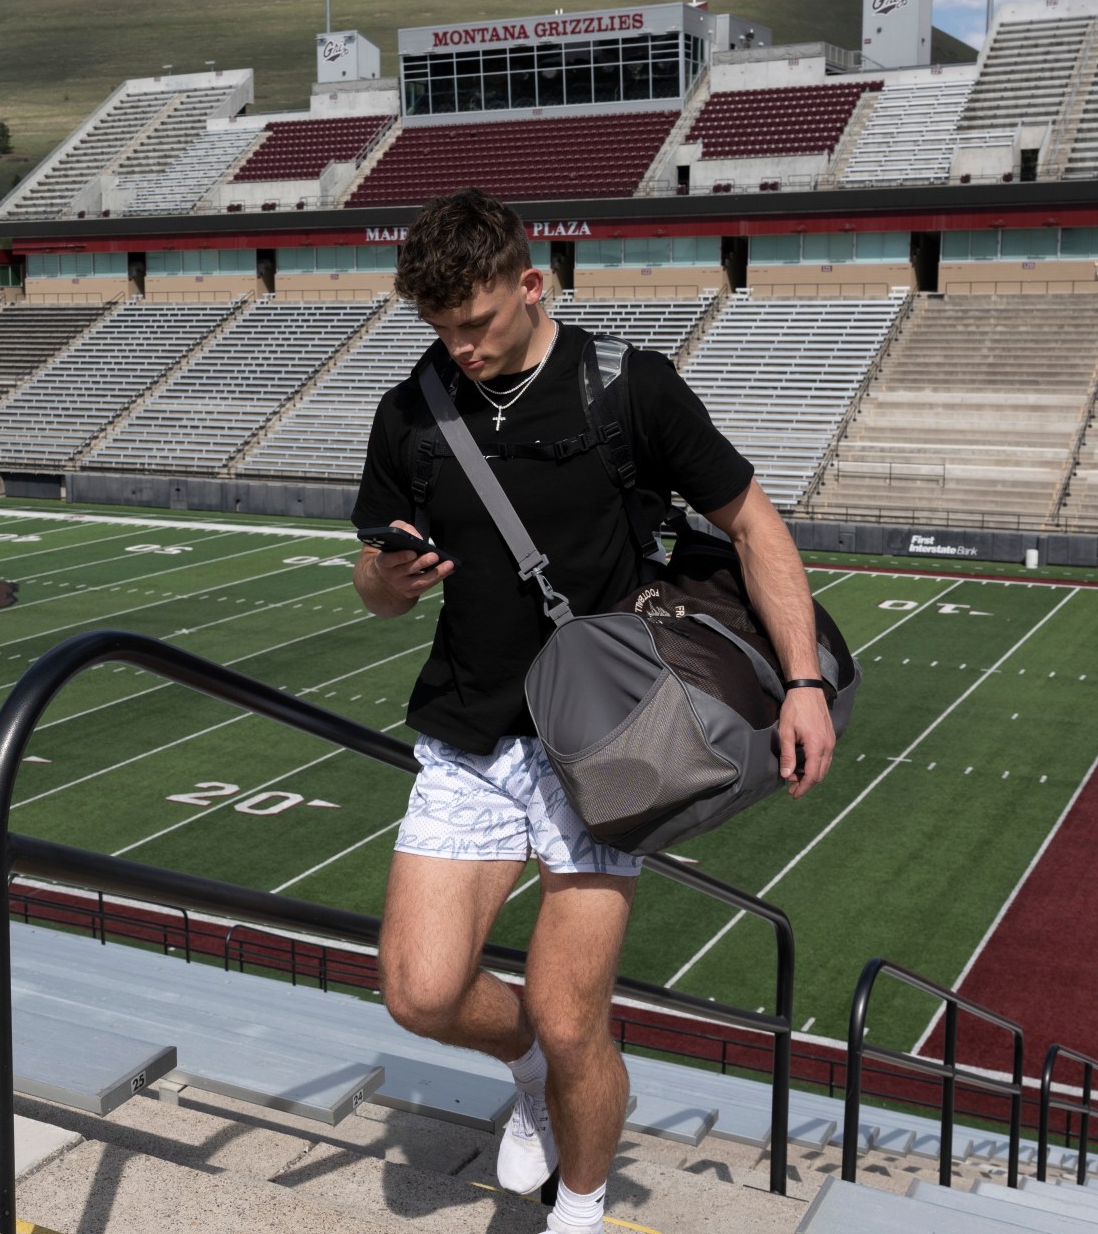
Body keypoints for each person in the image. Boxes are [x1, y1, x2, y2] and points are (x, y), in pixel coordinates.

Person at [351, 188, 837, 1231]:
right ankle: (524, 1066)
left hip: (609, 739)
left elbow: (752, 524)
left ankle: (580, 1202)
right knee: (421, 995)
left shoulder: (629, 388)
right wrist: (388, 584)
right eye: (438, 329)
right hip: (471, 733)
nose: (459, 347)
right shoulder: (411, 411)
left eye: (474, 323)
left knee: (577, 1020)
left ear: (531, 284)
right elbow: (369, 577)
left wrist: (801, 683)